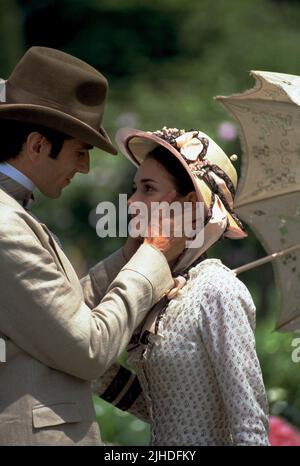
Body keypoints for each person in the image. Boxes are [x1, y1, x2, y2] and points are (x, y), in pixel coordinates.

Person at [0, 48, 185, 446]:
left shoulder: (10, 213)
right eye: (79, 150)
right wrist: (152, 258)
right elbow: (87, 347)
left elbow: (52, 317)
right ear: (36, 145)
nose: (84, 167)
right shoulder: (5, 225)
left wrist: (128, 258)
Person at [93, 127, 270, 446]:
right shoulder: (160, 287)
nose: (132, 201)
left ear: (189, 203)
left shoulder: (218, 289)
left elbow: (249, 423)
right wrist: (91, 367)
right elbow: (164, 408)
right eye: (135, 188)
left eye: (147, 189)